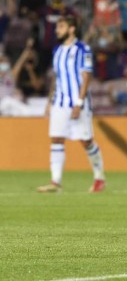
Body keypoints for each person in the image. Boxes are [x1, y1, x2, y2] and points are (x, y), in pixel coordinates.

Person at [37, 15, 106, 193]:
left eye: (60, 27)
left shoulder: (83, 49)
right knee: (56, 138)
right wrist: (49, 101)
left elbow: (86, 76)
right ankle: (55, 182)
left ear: (71, 28)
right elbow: (56, 78)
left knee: (86, 141)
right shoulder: (57, 50)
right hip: (59, 101)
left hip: (78, 102)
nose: (57, 30)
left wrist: (79, 102)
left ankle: (99, 178)